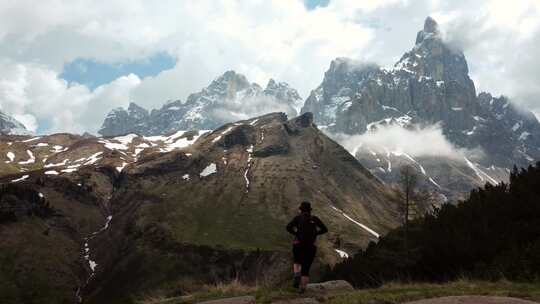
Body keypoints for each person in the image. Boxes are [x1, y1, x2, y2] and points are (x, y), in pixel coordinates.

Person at [286, 201, 328, 293]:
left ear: (301, 209)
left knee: (297, 262)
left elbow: (288, 227)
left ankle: (297, 275)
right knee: (306, 268)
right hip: (311, 246)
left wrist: (296, 233)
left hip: (298, 244)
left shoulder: (297, 218)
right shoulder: (315, 219)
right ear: (310, 210)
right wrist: (315, 233)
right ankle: (302, 288)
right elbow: (325, 229)